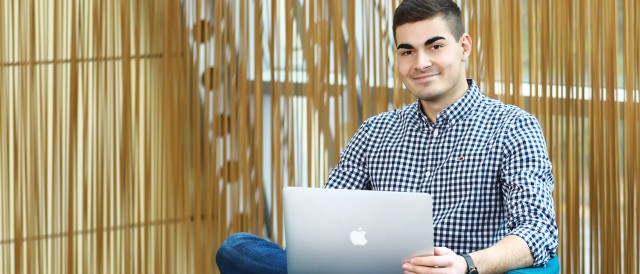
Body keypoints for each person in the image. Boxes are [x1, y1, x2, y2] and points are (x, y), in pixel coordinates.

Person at [216, 0, 558, 273]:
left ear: (463, 46)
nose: (421, 62)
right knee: (237, 248)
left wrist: (467, 264)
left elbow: (537, 230)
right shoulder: (375, 131)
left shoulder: (513, 126)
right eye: (407, 51)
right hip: (368, 270)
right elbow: (326, 216)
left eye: (435, 46)